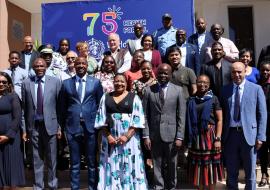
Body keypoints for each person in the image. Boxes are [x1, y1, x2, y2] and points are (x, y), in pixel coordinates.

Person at [95, 73, 147, 189]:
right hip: (110, 140)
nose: (119, 83)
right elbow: (101, 119)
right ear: (113, 82)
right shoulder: (105, 97)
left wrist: (126, 136)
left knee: (128, 163)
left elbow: (138, 120)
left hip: (129, 141)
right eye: (117, 81)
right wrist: (108, 136)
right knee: (110, 163)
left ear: (126, 83)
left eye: (122, 81)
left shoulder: (134, 97)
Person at [220, 62, 267, 190]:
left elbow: (262, 114)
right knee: (231, 172)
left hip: (249, 136)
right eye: (234, 72)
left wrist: (261, 136)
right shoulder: (224, 90)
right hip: (230, 136)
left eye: (239, 72)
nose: (236, 75)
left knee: (250, 173)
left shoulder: (256, 89)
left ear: (245, 72)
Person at [59, 56, 103, 190]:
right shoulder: (66, 83)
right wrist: (62, 126)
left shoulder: (95, 83)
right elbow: (62, 107)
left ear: (87, 65)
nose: (81, 66)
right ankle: (75, 187)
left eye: (83, 63)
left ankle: (92, 187)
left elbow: (100, 105)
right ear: (74, 65)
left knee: (91, 161)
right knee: (75, 161)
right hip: (72, 127)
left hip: (90, 127)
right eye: (78, 64)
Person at [143, 64, 186, 190]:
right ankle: (159, 187)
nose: (163, 75)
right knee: (157, 164)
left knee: (172, 164)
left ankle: (172, 187)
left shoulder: (178, 90)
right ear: (156, 74)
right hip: (154, 135)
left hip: (172, 135)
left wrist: (180, 136)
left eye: (166, 73)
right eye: (160, 73)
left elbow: (181, 116)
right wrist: (146, 135)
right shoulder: (149, 90)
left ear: (171, 74)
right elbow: (144, 115)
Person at [21, 58, 62, 189]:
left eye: (42, 66)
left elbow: (59, 107)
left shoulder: (55, 82)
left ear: (46, 67)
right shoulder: (26, 83)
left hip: (51, 127)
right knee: (36, 159)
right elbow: (24, 109)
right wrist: (25, 129)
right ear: (33, 67)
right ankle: (38, 186)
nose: (39, 68)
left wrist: (59, 127)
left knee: (52, 160)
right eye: (37, 66)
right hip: (34, 127)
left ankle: (52, 185)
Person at [186, 75, 223, 190]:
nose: (202, 84)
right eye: (200, 82)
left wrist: (218, 138)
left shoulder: (214, 98)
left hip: (210, 136)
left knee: (210, 165)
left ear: (209, 84)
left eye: (205, 82)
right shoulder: (191, 99)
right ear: (196, 83)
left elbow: (220, 120)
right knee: (197, 166)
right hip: (195, 136)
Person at [0, 72, 25, 189]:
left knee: (11, 172)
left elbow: (17, 117)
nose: (1, 84)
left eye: (4, 82)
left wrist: (8, 135)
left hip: (10, 138)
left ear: (9, 83)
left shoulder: (13, 96)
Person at [257, 61, 270, 187]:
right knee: (263, 151)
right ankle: (264, 175)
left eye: (267, 70)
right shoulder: (257, 85)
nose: (265, 72)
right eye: (263, 70)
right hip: (262, 123)